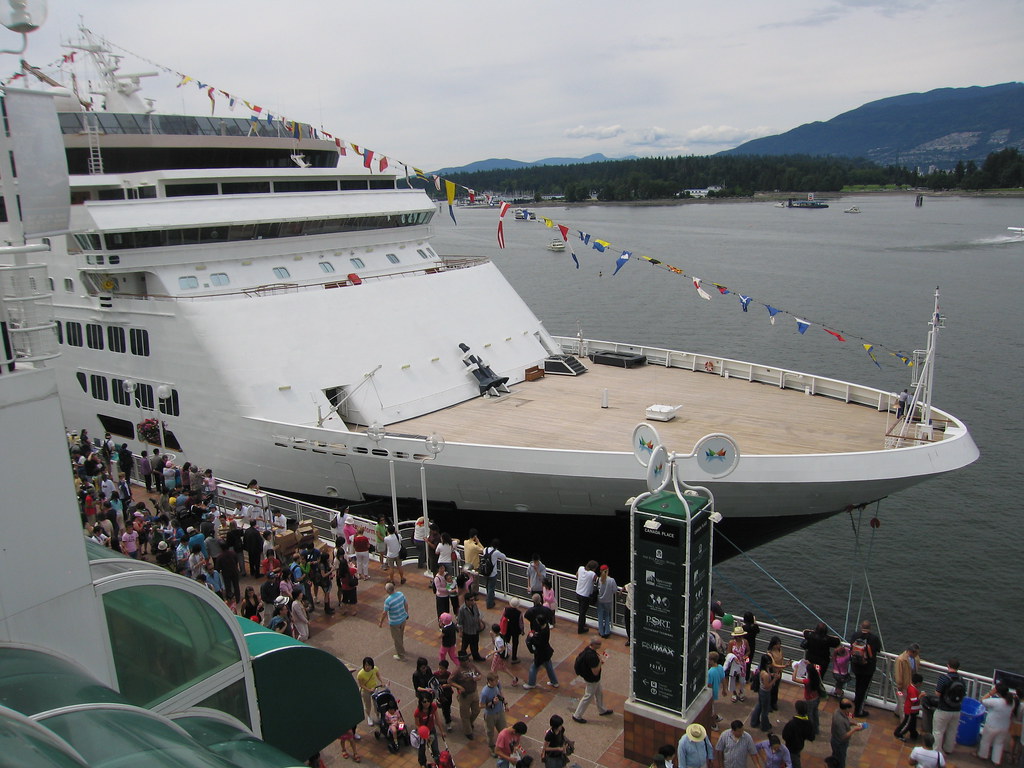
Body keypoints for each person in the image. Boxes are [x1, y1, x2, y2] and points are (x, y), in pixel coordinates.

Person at [572, 636, 612, 723]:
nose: (600, 645)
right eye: (598, 644)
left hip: (591, 678)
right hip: (592, 679)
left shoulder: (588, 650)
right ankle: (577, 715)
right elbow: (595, 672)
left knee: (599, 693)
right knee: (588, 696)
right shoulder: (592, 657)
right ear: (593, 644)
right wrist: (600, 662)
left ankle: (602, 710)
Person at [848, 619, 882, 717]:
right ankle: (858, 711)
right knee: (863, 688)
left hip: (856, 666)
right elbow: (878, 649)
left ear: (861, 627)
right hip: (868, 668)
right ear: (870, 628)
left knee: (858, 685)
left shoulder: (855, 635)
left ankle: (857, 700)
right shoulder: (874, 638)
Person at [977, 681, 1017, 764]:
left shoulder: (995, 702)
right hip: (1004, 727)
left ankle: (983, 755)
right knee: (999, 744)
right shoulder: (1011, 702)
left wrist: (990, 693)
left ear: (997, 692)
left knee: (986, 741)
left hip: (992, 726)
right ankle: (996, 761)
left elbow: (982, 700)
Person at [932, 658, 965, 755]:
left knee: (938, 731)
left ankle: (937, 751)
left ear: (948, 666)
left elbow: (938, 693)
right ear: (958, 668)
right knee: (952, 731)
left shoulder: (944, 678)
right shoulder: (961, 680)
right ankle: (948, 749)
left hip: (943, 709)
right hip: (956, 709)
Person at [524, 614, 559, 689]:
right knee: (549, 667)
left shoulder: (542, 633)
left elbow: (539, 643)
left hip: (541, 653)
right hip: (546, 652)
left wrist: (532, 637)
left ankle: (531, 683)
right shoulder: (546, 627)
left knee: (533, 667)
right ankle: (554, 682)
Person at [829, 698, 865, 768]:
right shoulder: (839, 720)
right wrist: (854, 729)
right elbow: (843, 736)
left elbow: (845, 721)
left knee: (835, 757)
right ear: (846, 709)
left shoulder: (838, 711)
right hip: (840, 744)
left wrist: (853, 723)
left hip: (836, 740)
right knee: (840, 761)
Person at [449, 660, 480, 739]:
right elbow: (450, 681)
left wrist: (477, 678)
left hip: (474, 692)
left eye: (467, 660)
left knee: (476, 710)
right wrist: (459, 687)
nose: (466, 662)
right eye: (465, 660)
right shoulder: (457, 670)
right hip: (464, 695)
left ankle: (469, 723)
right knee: (465, 714)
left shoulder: (472, 666)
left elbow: (479, 674)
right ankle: (468, 732)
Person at [379, 581, 409, 660]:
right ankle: (401, 649)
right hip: (403, 619)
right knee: (401, 635)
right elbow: (406, 604)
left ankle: (400, 655)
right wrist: (406, 614)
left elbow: (384, 613)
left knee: (396, 638)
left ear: (387, 591)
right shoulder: (400, 594)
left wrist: (381, 622)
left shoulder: (388, 601)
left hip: (394, 622)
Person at [749, 654, 780, 732]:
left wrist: (772, 675)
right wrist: (774, 679)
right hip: (765, 692)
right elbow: (767, 686)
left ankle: (754, 722)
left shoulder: (764, 670)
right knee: (765, 710)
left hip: (762, 691)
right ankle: (764, 726)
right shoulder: (765, 674)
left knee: (759, 706)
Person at [480, 673, 508, 757]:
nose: (497, 682)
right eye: (495, 681)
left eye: (497, 680)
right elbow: (481, 705)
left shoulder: (497, 685)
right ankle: (492, 748)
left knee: (504, 730)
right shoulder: (485, 692)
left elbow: (500, 693)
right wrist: (491, 702)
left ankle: (504, 745)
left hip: (499, 711)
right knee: (490, 732)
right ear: (489, 681)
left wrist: (505, 703)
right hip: (490, 715)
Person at [781, 700, 815, 768]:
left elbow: (784, 735)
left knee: (794, 762)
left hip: (791, 747)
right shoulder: (808, 722)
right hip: (800, 745)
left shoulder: (792, 723)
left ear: (797, 710)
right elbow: (811, 737)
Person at [893, 644, 922, 715]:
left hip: (911, 684)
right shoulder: (901, 659)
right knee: (903, 703)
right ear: (911, 652)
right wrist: (899, 685)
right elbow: (898, 673)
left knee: (904, 701)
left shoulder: (916, 658)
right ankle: (904, 719)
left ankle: (897, 713)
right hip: (904, 684)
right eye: (916, 653)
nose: (917, 655)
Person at [457, 592, 487, 661]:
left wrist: (480, 623)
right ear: (467, 601)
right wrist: (460, 632)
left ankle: (476, 657)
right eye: (471, 600)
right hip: (467, 631)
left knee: (475, 644)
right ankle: (462, 658)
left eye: (473, 599)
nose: (473, 601)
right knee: (464, 645)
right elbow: (460, 622)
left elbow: (477, 615)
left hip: (475, 630)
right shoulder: (462, 609)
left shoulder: (474, 605)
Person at [894, 672, 923, 742]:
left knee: (912, 723)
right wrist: (920, 696)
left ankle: (914, 734)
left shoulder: (911, 687)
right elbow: (914, 701)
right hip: (910, 710)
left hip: (913, 710)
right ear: (918, 683)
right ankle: (899, 733)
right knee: (907, 724)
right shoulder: (912, 690)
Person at [488, 622, 519, 687]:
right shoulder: (500, 635)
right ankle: (514, 678)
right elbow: (495, 644)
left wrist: (493, 652)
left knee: (493, 669)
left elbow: (502, 648)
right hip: (499, 655)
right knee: (502, 668)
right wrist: (492, 637)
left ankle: (495, 682)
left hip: (497, 655)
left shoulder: (499, 639)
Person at [725, 626, 750, 703]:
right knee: (732, 679)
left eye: (740, 636)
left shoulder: (745, 642)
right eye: (737, 636)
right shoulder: (731, 643)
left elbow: (748, 651)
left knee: (742, 680)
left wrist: (745, 656)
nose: (739, 638)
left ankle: (741, 692)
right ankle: (734, 693)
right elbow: (728, 653)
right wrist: (733, 658)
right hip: (734, 663)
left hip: (742, 663)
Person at [574, 560, 598, 634]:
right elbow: (597, 580)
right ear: (593, 568)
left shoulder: (580, 568)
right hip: (585, 596)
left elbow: (577, 575)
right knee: (582, 613)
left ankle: (582, 624)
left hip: (578, 593)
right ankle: (580, 629)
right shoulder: (592, 574)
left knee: (581, 611)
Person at [482, 539, 506, 609]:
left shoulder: (485, 549)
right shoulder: (496, 552)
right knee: (491, 588)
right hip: (492, 573)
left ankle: (489, 598)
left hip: (485, 571)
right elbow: (504, 557)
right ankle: (489, 604)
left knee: (487, 586)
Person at [595, 565, 617, 639]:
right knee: (607, 616)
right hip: (608, 601)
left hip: (600, 600)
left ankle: (601, 632)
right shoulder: (611, 580)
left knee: (600, 616)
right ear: (607, 570)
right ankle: (607, 632)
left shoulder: (599, 579)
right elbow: (614, 590)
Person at [500, 597, 525, 663]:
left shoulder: (506, 609)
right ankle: (514, 657)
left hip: (507, 629)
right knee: (515, 643)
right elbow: (521, 623)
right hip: (515, 630)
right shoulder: (519, 613)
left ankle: (504, 654)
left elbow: (502, 618)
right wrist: (522, 630)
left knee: (506, 641)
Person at [765, 636, 786, 711]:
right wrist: (783, 666)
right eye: (778, 644)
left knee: (776, 688)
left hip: (779, 672)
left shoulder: (780, 650)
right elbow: (772, 664)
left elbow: (782, 659)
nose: (779, 645)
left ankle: (774, 702)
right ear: (774, 645)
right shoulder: (770, 653)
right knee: (771, 689)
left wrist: (781, 669)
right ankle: (769, 704)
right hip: (772, 673)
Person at [707, 651, 726, 729]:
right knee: (713, 706)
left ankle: (714, 725)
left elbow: (709, 685)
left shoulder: (710, 672)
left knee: (711, 709)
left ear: (712, 660)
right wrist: (724, 689)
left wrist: (709, 696)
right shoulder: (720, 667)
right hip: (716, 690)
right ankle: (717, 717)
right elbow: (723, 679)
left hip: (711, 693)